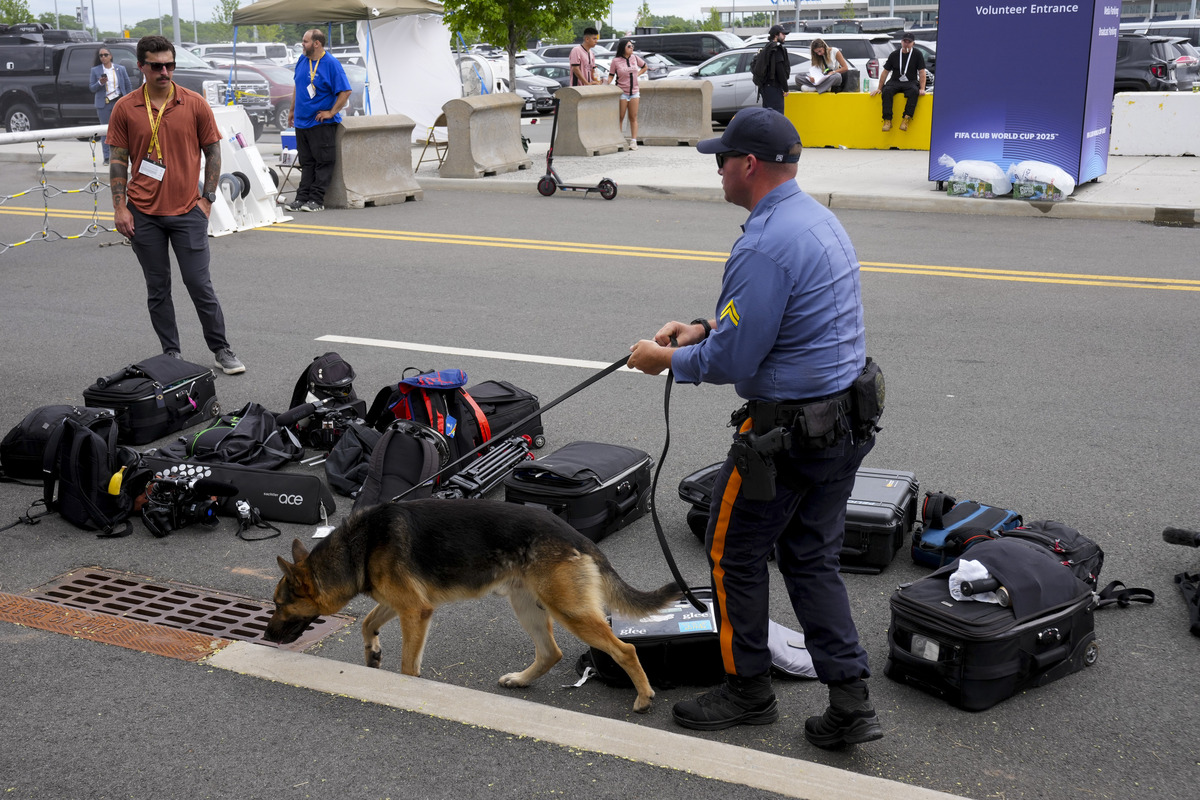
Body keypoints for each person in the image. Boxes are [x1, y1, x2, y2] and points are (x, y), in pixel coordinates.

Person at [627, 107, 883, 750]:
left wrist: (667, 360)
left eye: (722, 157)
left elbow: (736, 361)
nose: (717, 168)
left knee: (730, 552)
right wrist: (702, 328)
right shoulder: (815, 219)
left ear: (748, 165)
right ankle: (850, 701)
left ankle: (748, 691)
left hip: (788, 437)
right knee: (810, 559)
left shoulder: (765, 243)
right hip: (843, 425)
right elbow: (777, 328)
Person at [106, 36, 245, 376]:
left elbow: (213, 150)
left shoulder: (193, 103)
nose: (165, 71)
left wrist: (207, 199)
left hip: (188, 212)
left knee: (200, 285)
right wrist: (120, 207)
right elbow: (118, 161)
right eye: (157, 66)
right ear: (141, 67)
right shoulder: (126, 108)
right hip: (143, 214)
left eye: (170, 65)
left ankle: (221, 349)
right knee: (158, 288)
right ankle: (172, 354)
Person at [286, 28, 352, 213]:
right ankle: (301, 198)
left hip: (321, 123)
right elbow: (298, 86)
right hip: (301, 121)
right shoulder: (302, 60)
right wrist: (292, 110)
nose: (302, 44)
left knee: (323, 162)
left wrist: (331, 112)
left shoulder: (331, 63)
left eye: (305, 41)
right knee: (307, 163)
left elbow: (345, 91)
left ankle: (316, 200)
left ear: (317, 43)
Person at [871, 32, 926, 132]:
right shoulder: (894, 54)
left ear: (913, 43)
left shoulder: (917, 54)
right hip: (895, 81)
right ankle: (887, 120)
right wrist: (879, 87)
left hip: (911, 81)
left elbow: (922, 72)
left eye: (909, 42)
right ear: (901, 42)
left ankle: (906, 118)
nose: (906, 44)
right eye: (905, 41)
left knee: (914, 91)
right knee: (886, 90)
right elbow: (885, 72)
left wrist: (922, 88)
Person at [89, 48, 132, 165]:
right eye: (101, 55)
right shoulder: (95, 70)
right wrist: (100, 83)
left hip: (118, 102)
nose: (103, 57)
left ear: (111, 56)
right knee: (105, 130)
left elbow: (127, 85)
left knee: (122, 129)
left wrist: (128, 101)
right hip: (104, 103)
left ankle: (123, 155)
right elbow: (92, 88)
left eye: (105, 55)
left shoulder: (120, 69)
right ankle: (107, 157)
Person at [607, 38, 648, 150]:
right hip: (622, 92)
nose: (631, 48)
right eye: (629, 46)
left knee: (633, 117)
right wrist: (606, 83)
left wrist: (637, 75)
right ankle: (620, 140)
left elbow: (645, 66)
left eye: (632, 46)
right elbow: (611, 75)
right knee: (620, 117)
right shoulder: (616, 61)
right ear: (623, 48)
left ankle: (633, 141)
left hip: (634, 91)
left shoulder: (635, 58)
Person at [756, 25, 791, 113]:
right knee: (777, 116)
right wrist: (785, 88)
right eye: (783, 34)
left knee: (768, 115)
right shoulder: (776, 49)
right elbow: (780, 70)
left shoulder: (767, 47)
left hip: (765, 88)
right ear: (776, 35)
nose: (785, 36)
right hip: (774, 88)